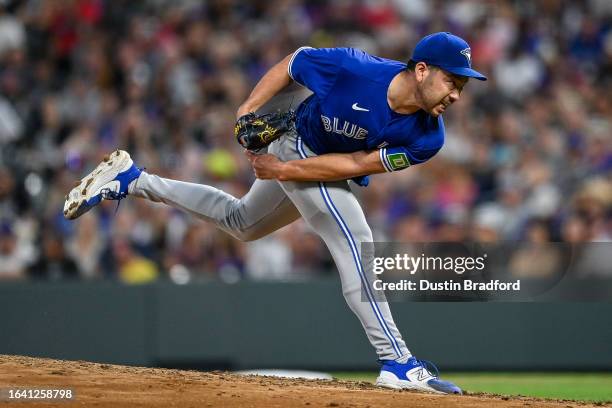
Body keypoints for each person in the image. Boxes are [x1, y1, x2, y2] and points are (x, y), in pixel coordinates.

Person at [64, 32, 486, 394]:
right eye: (452, 80)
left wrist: (283, 171)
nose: (455, 94)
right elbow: (295, 61)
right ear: (422, 70)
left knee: (242, 223)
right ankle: (396, 361)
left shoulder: (429, 137)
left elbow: (357, 165)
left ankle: (133, 179)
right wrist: (247, 110)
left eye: (462, 87)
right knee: (356, 241)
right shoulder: (357, 70)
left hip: (312, 161)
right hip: (296, 136)